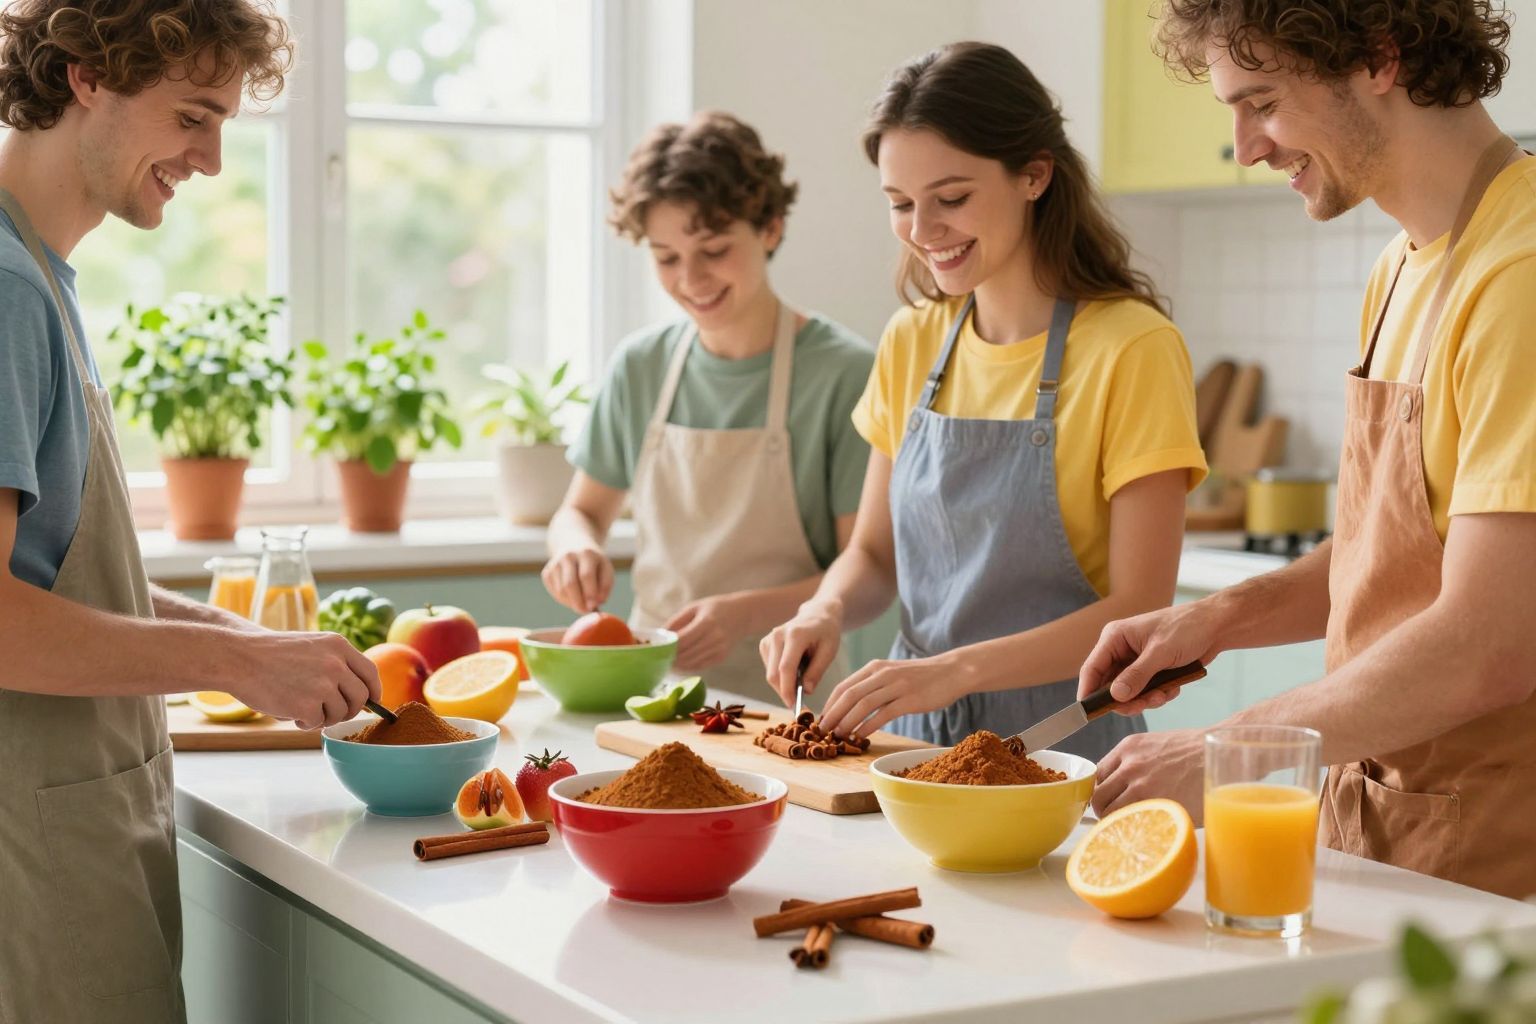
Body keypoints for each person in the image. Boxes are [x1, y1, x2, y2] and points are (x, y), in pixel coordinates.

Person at [1080, 0, 1536, 899]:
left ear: (1379, 59)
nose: (1246, 148)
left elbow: (1490, 642)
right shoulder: (1402, 266)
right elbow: (1394, 556)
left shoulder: (1519, 277)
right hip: (1386, 836)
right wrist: (1215, 619)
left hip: (1497, 879)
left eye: (1262, 103)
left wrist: (1226, 750)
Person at [0, 3, 382, 1020]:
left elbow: (47, 570)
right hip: (27, 870)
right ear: (86, 76)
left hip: (69, 838)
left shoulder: (38, 277)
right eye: (192, 117)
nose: (210, 160)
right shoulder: (5, 293)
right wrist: (236, 663)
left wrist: (238, 636)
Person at [759, 42, 1207, 755]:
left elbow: (1141, 609)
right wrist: (826, 609)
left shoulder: (1133, 347)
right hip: (912, 741)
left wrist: (956, 671)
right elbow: (873, 556)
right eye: (900, 204)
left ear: (1034, 175)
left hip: (1064, 742)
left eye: (952, 198)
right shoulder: (912, 339)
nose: (922, 231)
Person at [542, 112, 874, 703]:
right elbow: (581, 511)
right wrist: (575, 548)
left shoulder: (844, 374)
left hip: (790, 699)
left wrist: (744, 615)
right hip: (650, 694)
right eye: (666, 257)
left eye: (714, 250)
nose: (690, 279)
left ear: (770, 228)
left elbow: (868, 572)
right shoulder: (640, 365)